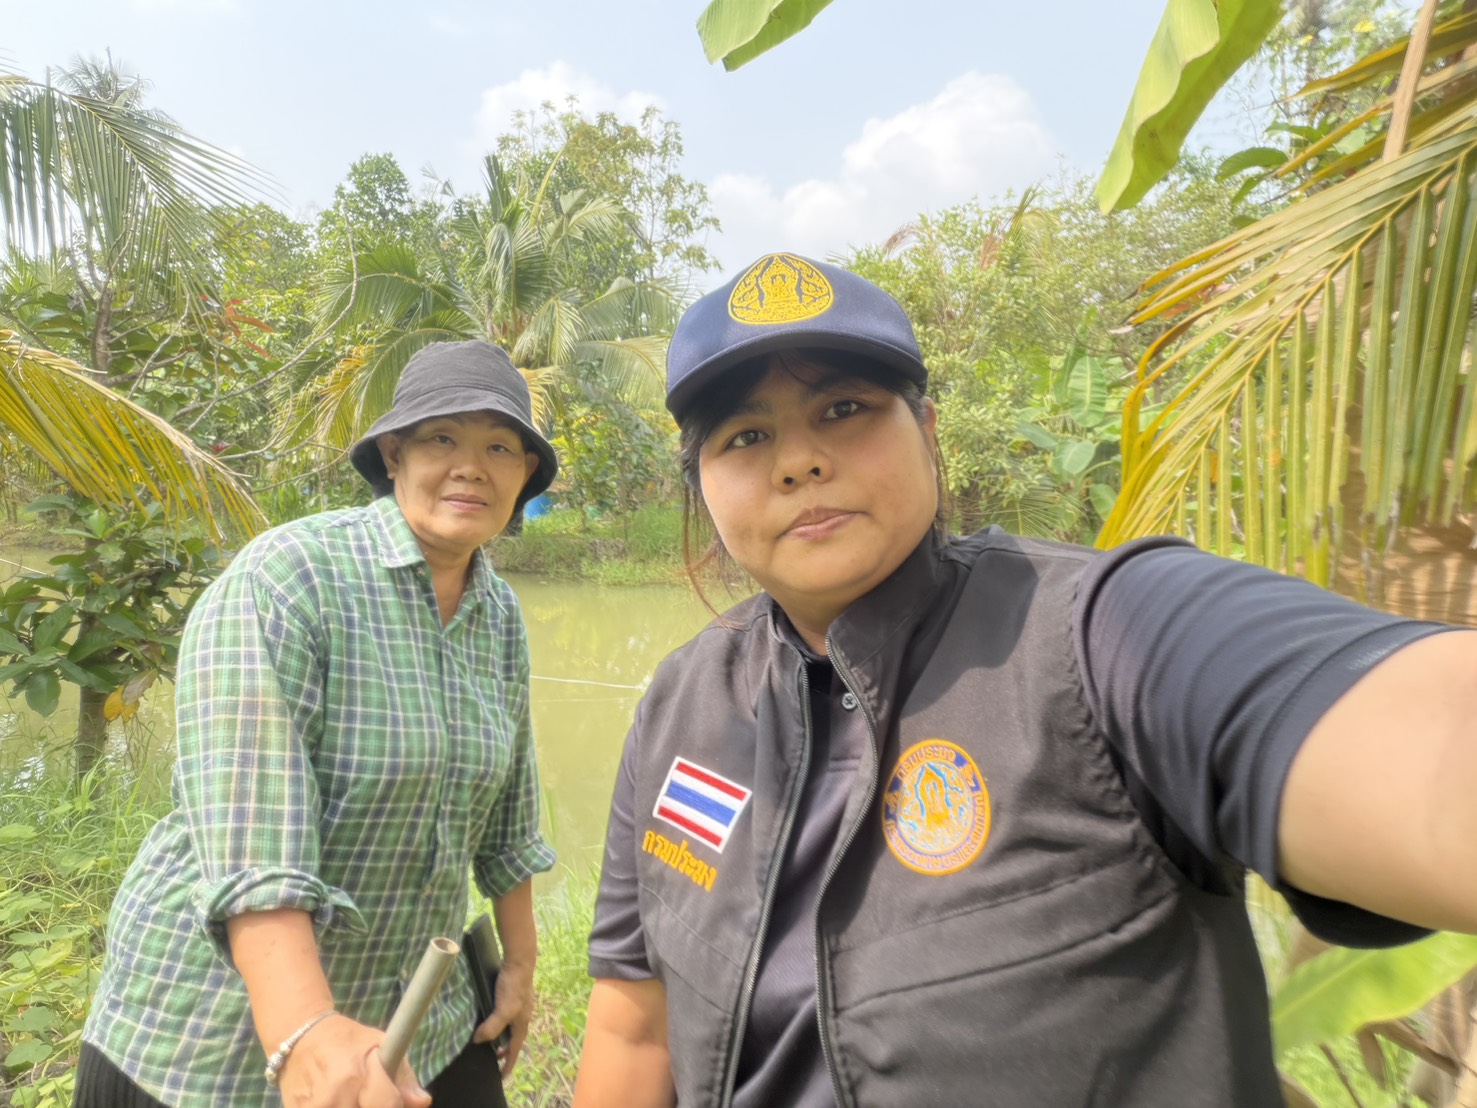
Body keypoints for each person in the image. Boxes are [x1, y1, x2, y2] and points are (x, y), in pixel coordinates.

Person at [572, 252, 1477, 1107]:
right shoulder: (679, 705)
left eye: (844, 408)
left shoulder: (1103, 631)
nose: (798, 460)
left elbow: (1426, 747)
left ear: (925, 430)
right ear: (701, 485)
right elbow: (633, 1027)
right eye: (746, 434)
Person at [77, 340, 559, 1108]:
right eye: (443, 438)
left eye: (500, 447)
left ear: (524, 476)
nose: (472, 466)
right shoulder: (289, 577)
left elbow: (509, 814)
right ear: (394, 456)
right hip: (216, 1039)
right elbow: (250, 834)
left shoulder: (496, 613)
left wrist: (520, 966)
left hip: (415, 1018)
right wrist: (305, 1028)